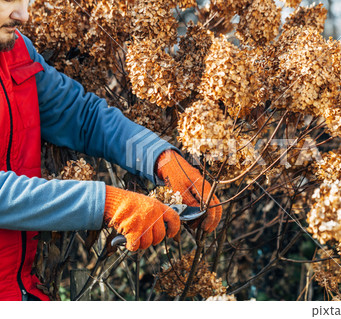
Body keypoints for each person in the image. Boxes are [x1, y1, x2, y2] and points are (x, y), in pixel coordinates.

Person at [0, 0, 222, 301]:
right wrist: (106, 203)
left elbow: (83, 117)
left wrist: (160, 158)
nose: (23, 15)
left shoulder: (15, 51)